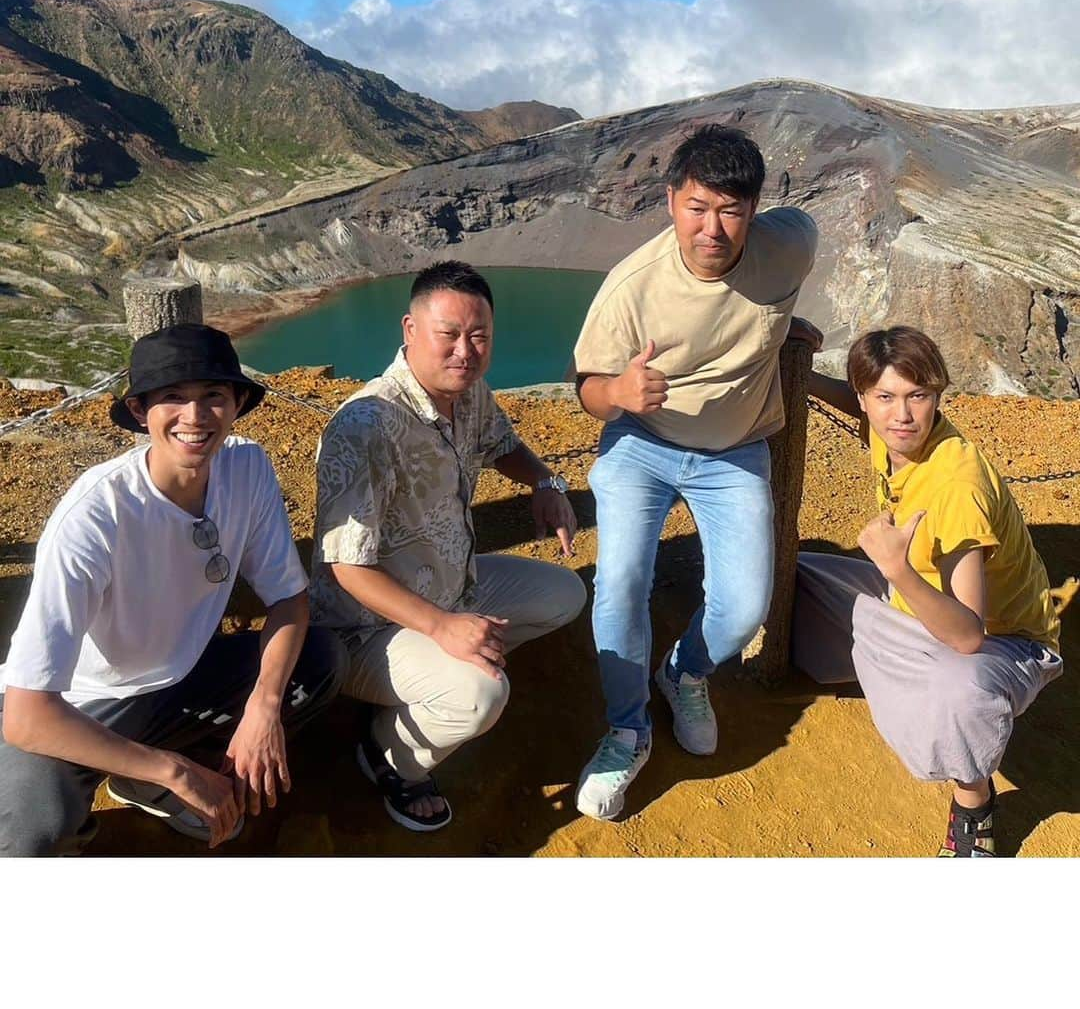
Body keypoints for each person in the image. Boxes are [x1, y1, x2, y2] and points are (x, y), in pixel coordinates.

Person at [0, 323, 347, 856]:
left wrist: (264, 705)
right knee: (28, 838)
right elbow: (27, 715)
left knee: (320, 660)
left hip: (180, 683)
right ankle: (158, 775)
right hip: (82, 705)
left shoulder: (247, 467)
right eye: (172, 398)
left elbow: (288, 601)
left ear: (236, 405)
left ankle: (142, 780)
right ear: (141, 412)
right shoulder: (96, 516)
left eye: (213, 395)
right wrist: (177, 772)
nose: (195, 416)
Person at [571, 123, 819, 820]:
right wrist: (617, 394)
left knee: (743, 607)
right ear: (672, 199)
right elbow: (586, 386)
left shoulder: (788, 245)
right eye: (697, 207)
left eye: (732, 210)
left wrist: (783, 327)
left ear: (755, 209)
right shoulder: (633, 287)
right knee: (620, 582)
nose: (713, 228)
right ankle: (627, 727)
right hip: (641, 442)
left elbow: (780, 277)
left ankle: (684, 673)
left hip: (735, 451)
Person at [309, 261, 586, 832]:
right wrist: (441, 629)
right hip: (367, 628)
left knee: (565, 595)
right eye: (449, 335)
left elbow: (502, 443)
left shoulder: (468, 393)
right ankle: (391, 754)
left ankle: (437, 683)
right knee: (482, 694)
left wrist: (544, 482)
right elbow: (347, 569)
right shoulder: (366, 425)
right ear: (410, 330)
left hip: (450, 585)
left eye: (479, 335)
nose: (465, 350)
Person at [795, 326, 1063, 857]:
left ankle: (973, 801)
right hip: (918, 606)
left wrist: (898, 571)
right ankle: (883, 666)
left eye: (918, 396)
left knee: (956, 691)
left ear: (937, 395)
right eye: (886, 398)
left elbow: (968, 634)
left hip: (1008, 642)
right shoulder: (895, 428)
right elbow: (861, 400)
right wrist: (801, 375)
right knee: (794, 578)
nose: (901, 415)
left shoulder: (956, 488)